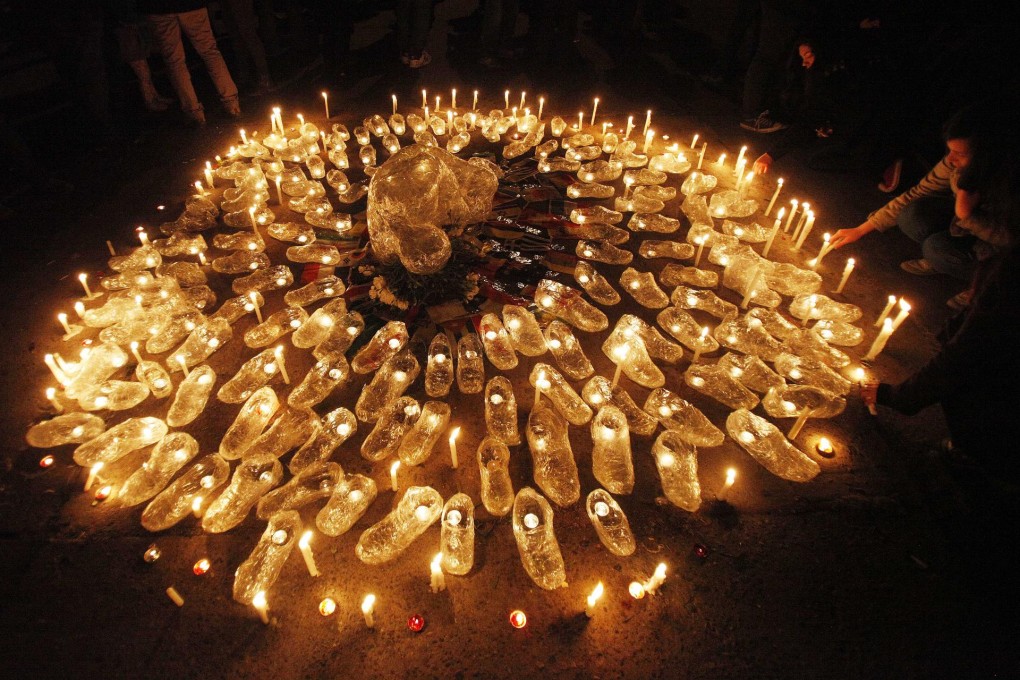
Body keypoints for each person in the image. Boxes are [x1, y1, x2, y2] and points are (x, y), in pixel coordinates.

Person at [828, 103, 1012, 309]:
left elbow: (1010, 240)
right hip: (963, 229)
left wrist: (966, 214)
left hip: (1001, 252)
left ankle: (984, 285)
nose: (950, 159)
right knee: (912, 215)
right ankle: (947, 259)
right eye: (949, 150)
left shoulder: (1007, 183)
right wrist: (861, 229)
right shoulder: (955, 163)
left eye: (960, 154)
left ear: (986, 155)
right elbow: (917, 193)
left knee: (935, 249)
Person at [140, 0, 241, 126]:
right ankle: (231, 103)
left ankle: (194, 113)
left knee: (174, 60)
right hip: (191, 6)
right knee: (210, 52)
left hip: (160, 8)